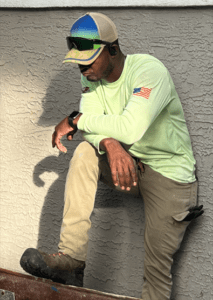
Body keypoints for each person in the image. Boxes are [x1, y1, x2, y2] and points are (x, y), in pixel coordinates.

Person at [20, 12, 203, 300]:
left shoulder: (148, 71)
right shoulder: (92, 79)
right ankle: (71, 259)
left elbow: (130, 128)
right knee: (84, 151)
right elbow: (96, 126)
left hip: (170, 177)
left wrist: (78, 120)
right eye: (78, 61)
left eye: (89, 59)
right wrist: (110, 143)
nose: (83, 68)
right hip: (129, 165)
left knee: (156, 272)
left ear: (113, 50)